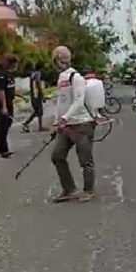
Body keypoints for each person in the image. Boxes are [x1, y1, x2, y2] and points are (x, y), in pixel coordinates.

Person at [50, 46, 97, 203]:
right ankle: (70, 189)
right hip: (66, 125)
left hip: (82, 124)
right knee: (57, 156)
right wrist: (57, 120)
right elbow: (61, 101)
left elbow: (78, 101)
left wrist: (65, 117)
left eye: (56, 59)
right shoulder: (61, 78)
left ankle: (88, 190)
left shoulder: (76, 77)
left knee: (85, 160)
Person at [0, 54, 19, 159]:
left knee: (8, 123)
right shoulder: (2, 75)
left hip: (9, 102)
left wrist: (21, 96)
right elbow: (1, 91)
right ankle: (4, 150)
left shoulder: (10, 75)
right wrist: (3, 106)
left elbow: (10, 89)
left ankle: (0, 147)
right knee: (3, 125)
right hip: (2, 103)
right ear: (12, 64)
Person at [22, 61, 46, 132]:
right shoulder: (37, 74)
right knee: (39, 111)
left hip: (33, 93)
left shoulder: (32, 74)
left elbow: (31, 85)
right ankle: (37, 126)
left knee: (37, 111)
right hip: (36, 94)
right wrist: (42, 95)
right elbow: (38, 85)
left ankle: (30, 124)